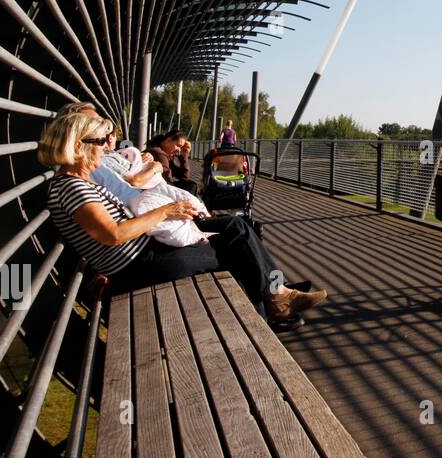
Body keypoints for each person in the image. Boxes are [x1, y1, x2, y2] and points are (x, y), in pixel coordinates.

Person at [38, 110, 326, 326]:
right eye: (100, 140)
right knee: (236, 248)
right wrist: (166, 211)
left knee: (237, 232)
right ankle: (273, 310)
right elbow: (112, 234)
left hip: (149, 255)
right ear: (78, 146)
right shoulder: (72, 187)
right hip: (144, 264)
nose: (106, 145)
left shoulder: (79, 183)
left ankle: (275, 302)